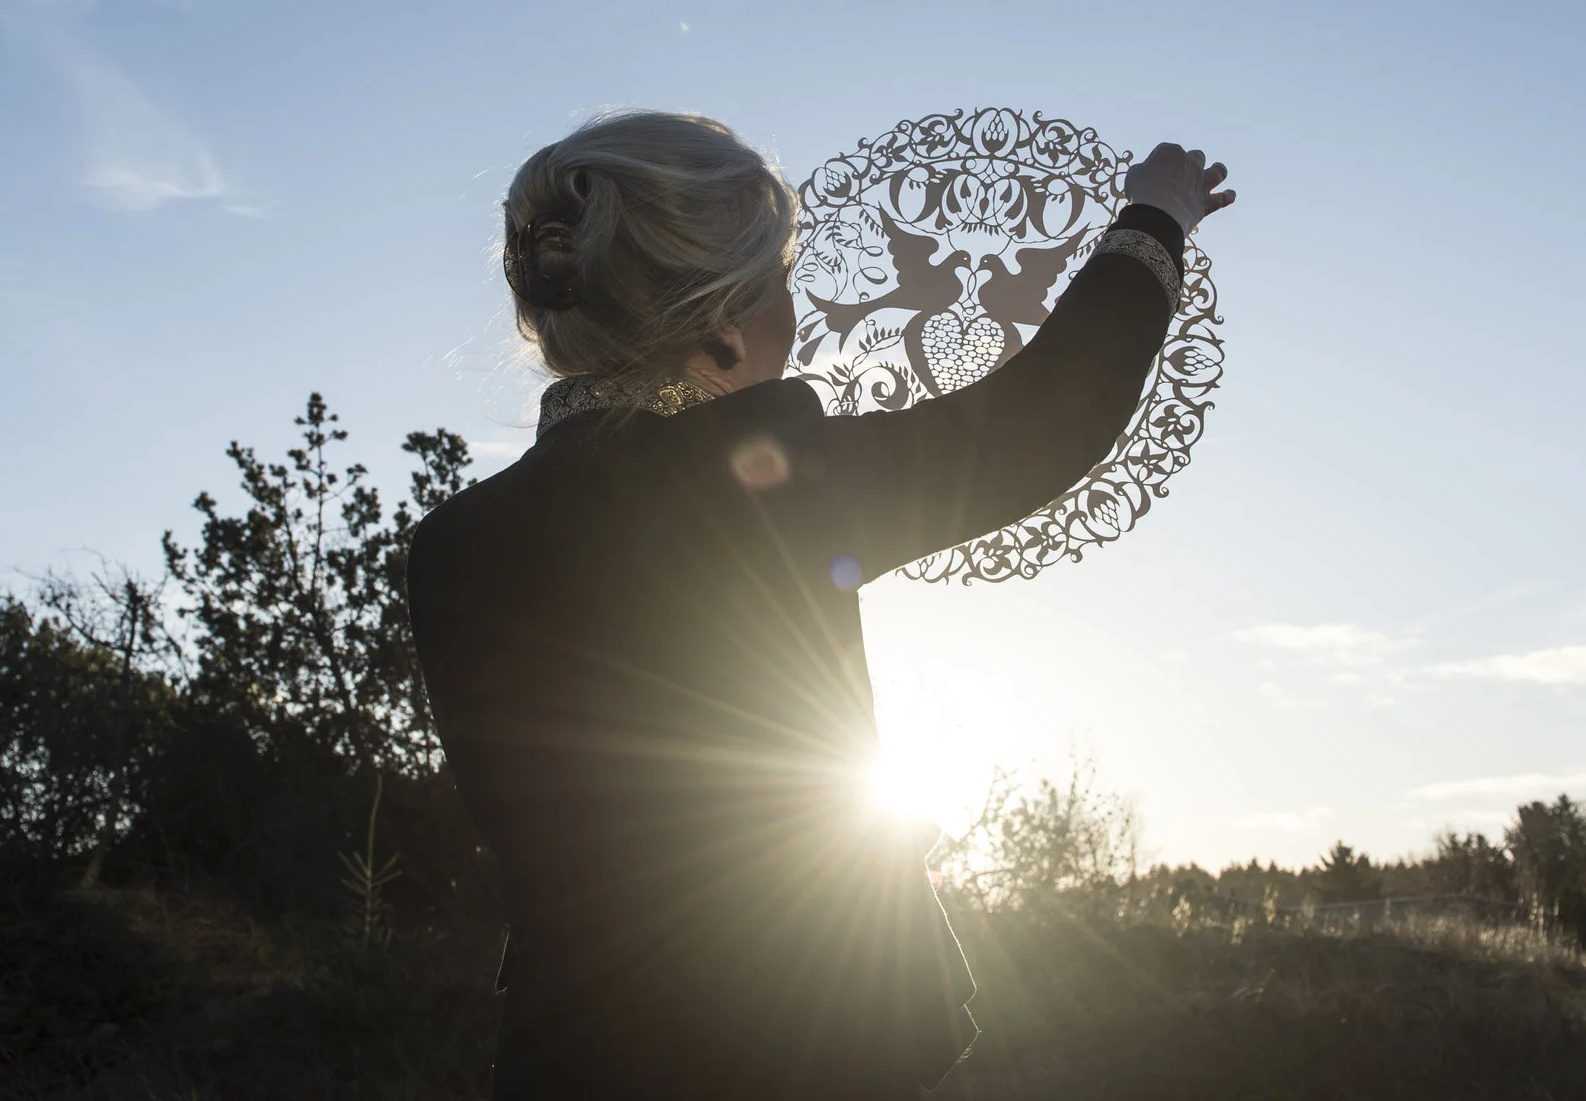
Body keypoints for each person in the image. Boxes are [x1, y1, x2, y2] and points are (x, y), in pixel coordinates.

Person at [410, 112, 1235, 1100]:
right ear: (718, 315)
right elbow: (1045, 418)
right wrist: (1155, 216)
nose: (792, 311)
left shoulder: (452, 544)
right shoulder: (769, 479)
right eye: (780, 282)